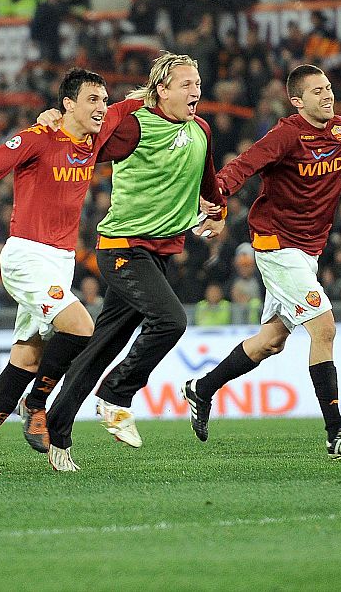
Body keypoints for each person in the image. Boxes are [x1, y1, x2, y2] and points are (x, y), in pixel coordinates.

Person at [181, 64, 341, 458]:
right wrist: (218, 195)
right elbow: (244, 165)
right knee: (324, 328)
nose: (327, 95)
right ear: (297, 101)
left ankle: (202, 388)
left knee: (271, 341)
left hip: (308, 250)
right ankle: (336, 433)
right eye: (317, 91)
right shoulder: (286, 135)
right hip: (276, 245)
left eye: (328, 88)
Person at [41, 51, 227, 471]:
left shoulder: (201, 131)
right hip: (123, 248)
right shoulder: (135, 125)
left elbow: (210, 183)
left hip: (157, 254)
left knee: (101, 346)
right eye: (186, 84)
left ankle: (57, 429)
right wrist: (57, 122)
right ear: (161, 90)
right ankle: (117, 394)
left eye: (197, 83)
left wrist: (219, 213)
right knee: (172, 320)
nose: (196, 90)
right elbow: (85, 144)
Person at [0, 68, 108, 475]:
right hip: (27, 256)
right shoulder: (38, 138)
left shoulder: (95, 141)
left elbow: (132, 115)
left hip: (61, 262)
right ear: (68, 104)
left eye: (104, 100)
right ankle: (35, 404)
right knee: (81, 327)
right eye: (93, 100)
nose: (101, 108)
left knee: (28, 358)